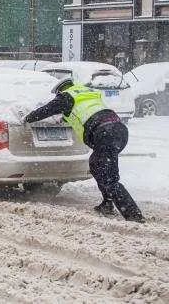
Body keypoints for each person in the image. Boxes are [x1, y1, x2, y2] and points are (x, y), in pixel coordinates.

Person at [23, 78, 144, 223]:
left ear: (60, 91)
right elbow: (85, 112)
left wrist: (27, 118)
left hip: (104, 132)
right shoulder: (87, 92)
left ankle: (133, 215)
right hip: (118, 130)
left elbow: (45, 110)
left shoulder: (66, 97)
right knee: (96, 165)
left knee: (109, 177)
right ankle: (107, 203)